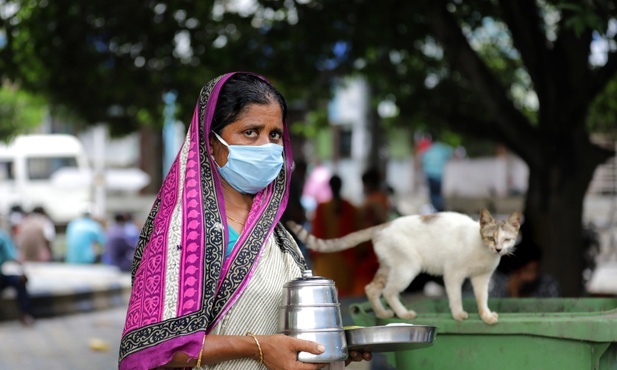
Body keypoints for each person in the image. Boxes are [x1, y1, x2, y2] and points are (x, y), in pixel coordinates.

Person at [118, 72, 371, 370]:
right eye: (251, 132)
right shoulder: (186, 231)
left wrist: (331, 341)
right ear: (211, 144)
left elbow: (282, 328)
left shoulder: (275, 234)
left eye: (274, 134)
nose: (266, 146)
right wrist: (259, 348)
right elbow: (153, 348)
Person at [310, 175, 359, 297]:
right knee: (343, 296)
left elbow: (316, 233)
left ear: (330, 187)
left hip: (326, 257)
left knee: (326, 295)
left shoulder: (322, 207)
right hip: (344, 257)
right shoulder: (350, 207)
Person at [0, 229, 34, 326]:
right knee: (20, 281)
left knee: (20, 281)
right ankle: (25, 314)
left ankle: (25, 314)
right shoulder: (2, 237)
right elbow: (14, 257)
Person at [419, 138, 453, 212]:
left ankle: (436, 208)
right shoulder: (441, 148)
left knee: (433, 194)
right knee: (437, 193)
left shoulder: (428, 149)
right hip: (438, 175)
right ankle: (439, 208)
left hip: (430, 175)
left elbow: (422, 160)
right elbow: (450, 152)